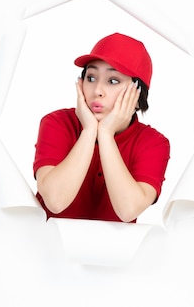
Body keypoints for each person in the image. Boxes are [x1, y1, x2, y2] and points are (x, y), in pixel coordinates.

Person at [33, 32, 170, 223]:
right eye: (90, 77)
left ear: (138, 95)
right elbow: (55, 201)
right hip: (45, 246)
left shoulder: (153, 143)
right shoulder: (56, 123)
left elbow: (128, 210)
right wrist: (89, 131)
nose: (97, 90)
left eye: (113, 81)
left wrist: (106, 133)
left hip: (115, 251)